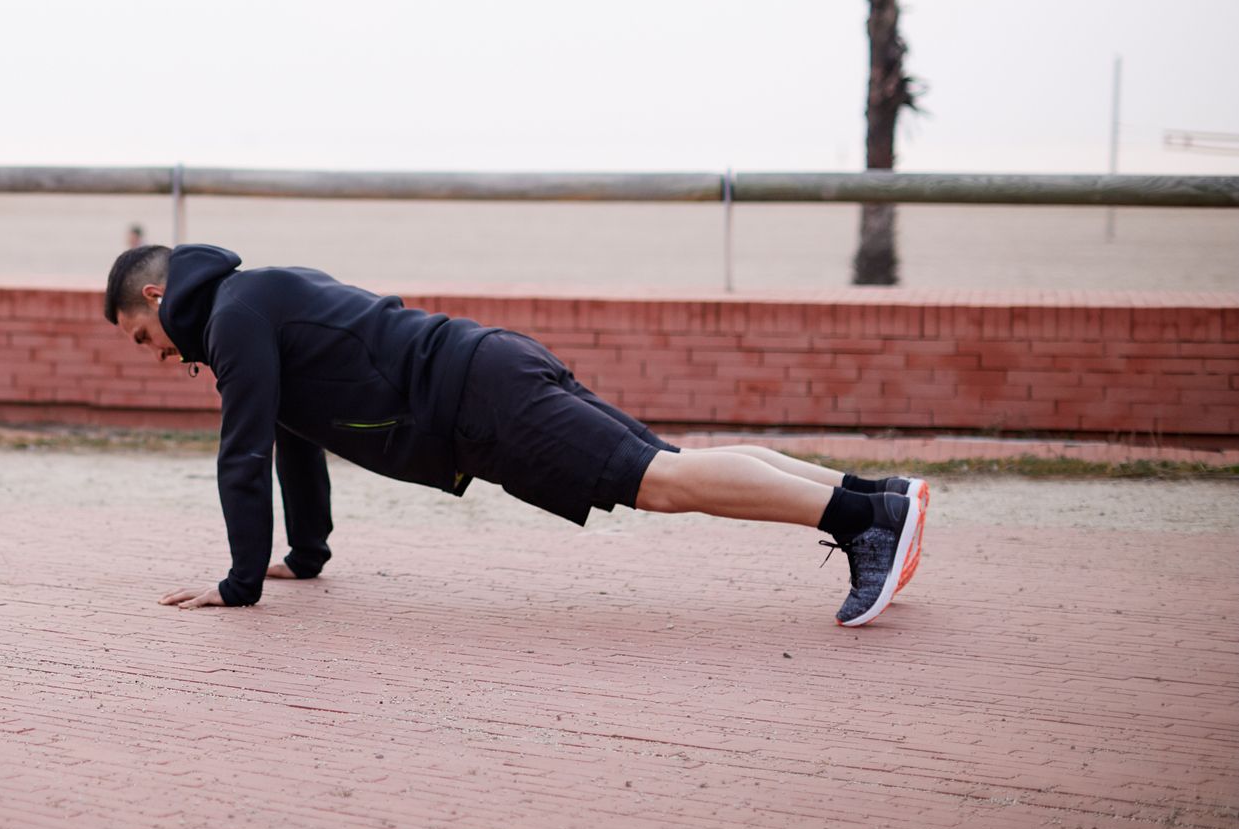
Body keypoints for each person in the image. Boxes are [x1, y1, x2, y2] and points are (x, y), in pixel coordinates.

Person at [103, 244, 929, 627]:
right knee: (670, 465)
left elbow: (241, 451)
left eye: (143, 335)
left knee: (659, 483)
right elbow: (291, 440)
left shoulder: (235, 316)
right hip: (484, 369)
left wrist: (239, 583)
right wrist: (304, 558)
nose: (157, 354)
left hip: (478, 397)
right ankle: (873, 501)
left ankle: (861, 527)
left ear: (153, 293)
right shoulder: (253, 300)